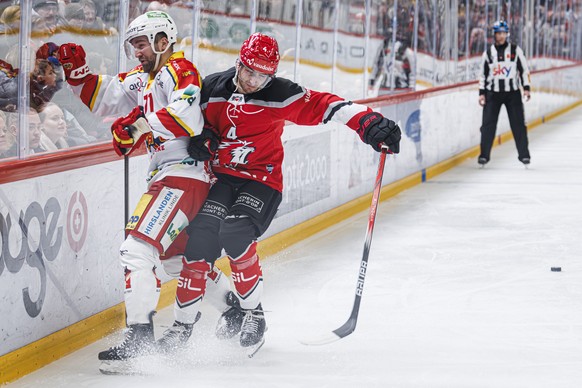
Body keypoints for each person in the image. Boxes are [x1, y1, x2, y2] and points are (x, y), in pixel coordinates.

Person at [156, 32, 401, 351]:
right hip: (220, 180)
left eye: (263, 75)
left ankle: (253, 312)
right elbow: (186, 118)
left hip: (261, 181)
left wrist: (369, 123)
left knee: (234, 231)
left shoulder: (279, 94)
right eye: (249, 71)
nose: (255, 80)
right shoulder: (211, 88)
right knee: (199, 242)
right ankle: (182, 327)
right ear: (238, 63)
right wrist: (201, 136)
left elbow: (329, 105)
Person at [57, 11, 230, 366]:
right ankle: (237, 309)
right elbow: (104, 95)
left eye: (142, 43)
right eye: (133, 44)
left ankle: (138, 342)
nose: (136, 51)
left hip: (183, 175)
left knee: (136, 250)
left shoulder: (180, 70)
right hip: (168, 177)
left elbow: (186, 114)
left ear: (162, 41)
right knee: (175, 261)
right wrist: (77, 76)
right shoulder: (142, 78)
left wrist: (136, 127)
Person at [478, 20, 531, 166]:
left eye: (503, 33)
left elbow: (524, 70)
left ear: (507, 34)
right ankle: (484, 155)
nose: (500, 36)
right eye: (498, 33)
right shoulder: (488, 53)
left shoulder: (515, 50)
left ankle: (524, 155)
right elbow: (482, 75)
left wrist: (526, 88)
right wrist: (481, 93)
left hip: (512, 94)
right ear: (494, 34)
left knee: (518, 124)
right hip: (492, 94)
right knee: (488, 125)